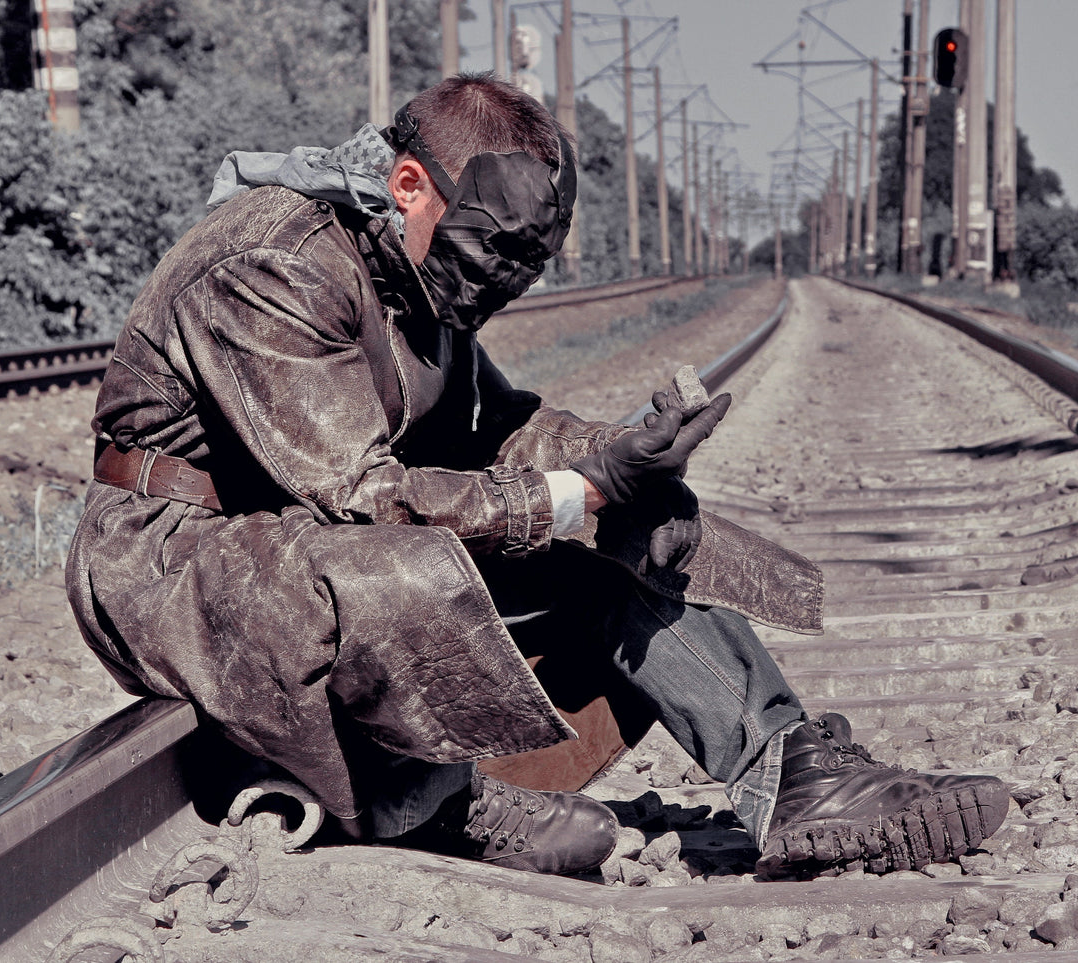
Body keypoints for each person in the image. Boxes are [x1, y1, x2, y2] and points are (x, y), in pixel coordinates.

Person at [65, 73, 1008, 880]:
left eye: (532, 260)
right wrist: (574, 490)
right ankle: (432, 801)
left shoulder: (416, 277)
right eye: (498, 252)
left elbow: (499, 426)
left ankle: (793, 773)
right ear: (408, 185)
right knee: (406, 556)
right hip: (177, 559)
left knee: (633, 534)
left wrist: (621, 460)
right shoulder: (277, 264)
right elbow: (357, 492)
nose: (511, 282)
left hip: (298, 548)